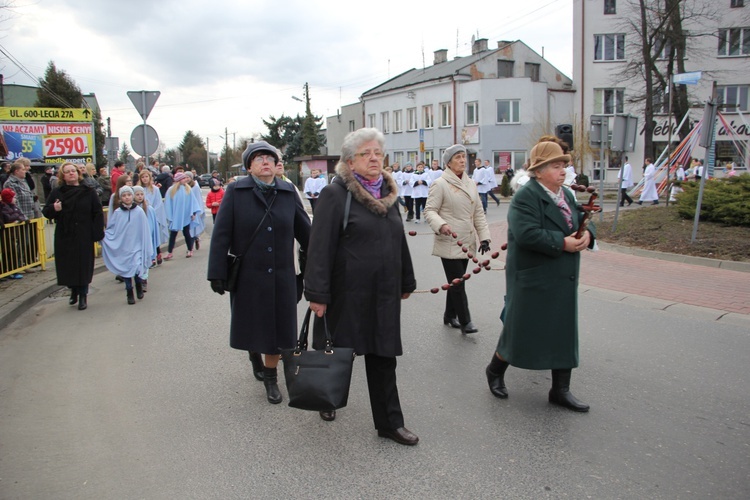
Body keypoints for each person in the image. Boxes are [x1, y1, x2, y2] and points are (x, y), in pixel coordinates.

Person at [304, 128, 418, 445]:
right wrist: (317, 294)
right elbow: (319, 247)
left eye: (377, 153)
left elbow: (398, 241)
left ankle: (389, 423)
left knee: (384, 356)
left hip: (382, 294)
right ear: (350, 161)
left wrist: (406, 279)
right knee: (337, 349)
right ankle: (326, 398)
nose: (373, 158)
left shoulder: (388, 195)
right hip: (346, 294)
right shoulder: (335, 195)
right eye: (365, 153)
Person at [485, 139, 595, 412]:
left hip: (562, 276)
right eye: (556, 166)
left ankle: (560, 390)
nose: (563, 171)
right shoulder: (527, 196)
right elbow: (527, 234)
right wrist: (563, 243)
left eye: (564, 166)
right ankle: (495, 370)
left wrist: (589, 236)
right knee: (520, 329)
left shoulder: (566, 195)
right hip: (533, 276)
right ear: (538, 170)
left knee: (562, 330)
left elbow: (580, 221)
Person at [208, 141, 311, 404]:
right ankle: (254, 352)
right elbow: (221, 235)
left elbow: (307, 234)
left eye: (270, 157)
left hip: (282, 276)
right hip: (249, 277)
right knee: (255, 327)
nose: (265, 162)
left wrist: (319, 265)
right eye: (259, 158)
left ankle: (270, 378)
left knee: (278, 333)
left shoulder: (288, 191)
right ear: (249, 167)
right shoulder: (235, 191)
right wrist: (216, 271)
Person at [424, 144, 490, 334]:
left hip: (467, 241)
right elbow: (429, 211)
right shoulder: (440, 184)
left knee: (456, 281)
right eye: (458, 157)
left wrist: (484, 237)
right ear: (449, 163)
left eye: (464, 157)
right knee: (458, 282)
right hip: (450, 240)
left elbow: (478, 212)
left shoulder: (470, 183)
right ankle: (465, 321)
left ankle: (449, 315)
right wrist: (441, 225)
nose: (462, 161)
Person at [42, 162, 104, 310]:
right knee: (68, 265)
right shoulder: (58, 192)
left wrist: (97, 232)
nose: (71, 173)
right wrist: (54, 208)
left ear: (78, 173)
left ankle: (83, 295)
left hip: (83, 233)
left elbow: (97, 212)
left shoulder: (88, 191)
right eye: (67, 171)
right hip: (65, 233)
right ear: (63, 175)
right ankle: (73, 290)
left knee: (83, 264)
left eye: (73, 171)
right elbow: (46, 211)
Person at [102, 186, 153, 305]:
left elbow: (144, 229)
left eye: (129, 195)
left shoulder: (139, 212)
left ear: (132, 196)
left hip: (137, 246)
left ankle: (139, 285)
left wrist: (145, 243)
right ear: (121, 198)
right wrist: (105, 237)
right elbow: (112, 228)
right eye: (124, 196)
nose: (127, 197)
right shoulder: (118, 213)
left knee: (136, 267)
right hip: (124, 246)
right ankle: (129, 291)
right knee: (126, 270)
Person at [164, 172, 202, 259]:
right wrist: (169, 215)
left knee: (186, 233)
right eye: (184, 178)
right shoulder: (171, 190)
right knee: (173, 234)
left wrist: (193, 213)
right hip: (176, 216)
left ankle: (190, 249)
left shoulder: (188, 189)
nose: (186, 180)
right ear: (179, 180)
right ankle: (170, 252)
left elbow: (193, 202)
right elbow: (168, 203)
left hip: (186, 215)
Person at [138, 169, 168, 264]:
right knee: (146, 237)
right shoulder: (139, 189)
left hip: (152, 215)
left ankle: (157, 253)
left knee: (153, 235)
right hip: (142, 216)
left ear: (150, 178)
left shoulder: (155, 189)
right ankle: (148, 256)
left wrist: (152, 212)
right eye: (143, 177)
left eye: (146, 177)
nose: (145, 179)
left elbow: (158, 203)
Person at [0, 188, 27, 279]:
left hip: (12, 233)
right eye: (13, 197)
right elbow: (9, 218)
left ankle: (13, 271)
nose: (15, 199)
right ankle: (8, 271)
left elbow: (21, 215)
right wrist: (16, 217)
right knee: (9, 252)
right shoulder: (4, 207)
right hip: (6, 233)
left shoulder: (13, 206)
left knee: (12, 252)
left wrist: (19, 219)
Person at [185, 172, 205, 250]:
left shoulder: (195, 187)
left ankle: (191, 246)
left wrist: (197, 211)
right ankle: (193, 242)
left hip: (194, 210)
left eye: (188, 177)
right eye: (185, 177)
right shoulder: (184, 186)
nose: (186, 179)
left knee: (193, 228)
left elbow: (198, 198)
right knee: (188, 229)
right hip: (187, 210)